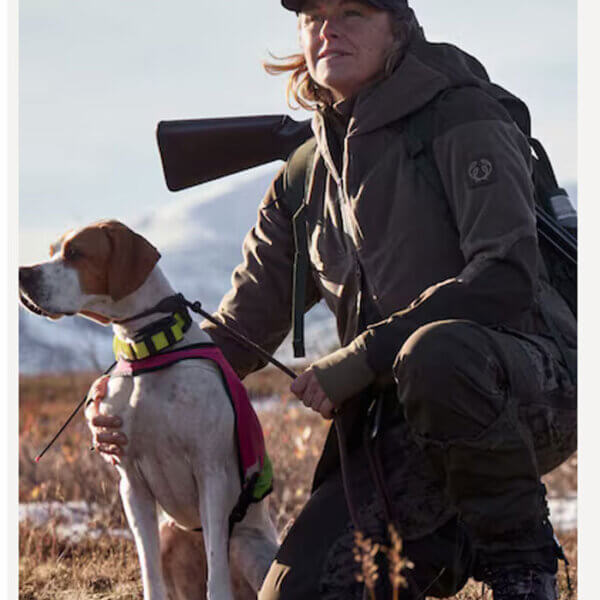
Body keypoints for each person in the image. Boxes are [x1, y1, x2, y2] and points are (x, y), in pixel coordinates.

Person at [88, 1, 577, 598]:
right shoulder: (302, 173)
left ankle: (522, 570)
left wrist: (365, 356)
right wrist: (130, 385)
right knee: (296, 593)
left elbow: (506, 279)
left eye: (352, 10)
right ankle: (448, 535)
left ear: (398, 25)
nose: (328, 27)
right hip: (397, 423)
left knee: (436, 354)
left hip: (526, 388)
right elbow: (236, 334)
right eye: (313, 15)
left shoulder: (463, 114)